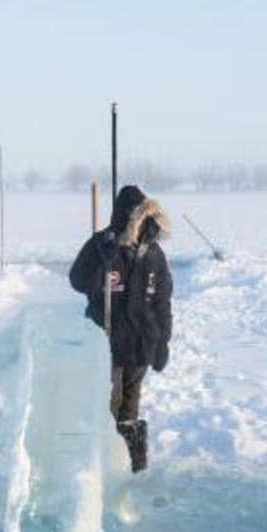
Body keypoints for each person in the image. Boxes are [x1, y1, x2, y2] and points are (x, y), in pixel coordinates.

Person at [68, 184, 173, 473]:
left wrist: (162, 342)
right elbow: (77, 280)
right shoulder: (103, 245)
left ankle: (131, 470)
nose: (140, 225)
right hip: (107, 345)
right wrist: (103, 258)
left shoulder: (153, 253)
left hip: (140, 346)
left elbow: (162, 302)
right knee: (107, 408)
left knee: (130, 410)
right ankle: (100, 469)